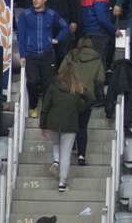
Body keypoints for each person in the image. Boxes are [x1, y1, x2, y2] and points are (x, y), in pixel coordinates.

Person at [39, 63, 94, 193]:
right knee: (66, 152)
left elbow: (45, 107)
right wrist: (78, 110)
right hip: (70, 123)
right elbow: (91, 99)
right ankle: (62, 182)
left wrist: (43, 125)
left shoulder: (53, 86)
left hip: (53, 121)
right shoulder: (77, 86)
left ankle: (56, 160)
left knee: (56, 144)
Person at [61, 38, 105, 166]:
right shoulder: (97, 59)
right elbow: (100, 79)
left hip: (70, 95)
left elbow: (61, 71)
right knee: (82, 127)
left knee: (69, 125)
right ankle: (81, 155)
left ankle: (69, 149)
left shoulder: (71, 55)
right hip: (87, 98)